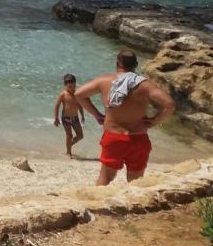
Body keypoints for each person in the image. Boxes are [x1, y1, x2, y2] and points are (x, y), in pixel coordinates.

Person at [70, 49, 175, 185]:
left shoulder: (104, 81)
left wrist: (97, 115)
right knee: (136, 182)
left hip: (114, 137)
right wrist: (154, 121)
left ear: (117, 63)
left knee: (106, 178)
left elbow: (79, 94)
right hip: (138, 138)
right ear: (136, 64)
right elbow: (170, 105)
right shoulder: (145, 85)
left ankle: (99, 206)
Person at [53, 73, 86, 157]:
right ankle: (68, 152)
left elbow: (80, 105)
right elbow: (57, 105)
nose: (72, 87)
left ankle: (69, 145)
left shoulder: (77, 94)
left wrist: (82, 116)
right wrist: (56, 118)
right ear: (65, 85)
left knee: (80, 136)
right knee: (69, 135)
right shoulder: (63, 94)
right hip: (66, 118)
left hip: (75, 118)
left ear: (75, 84)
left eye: (73, 85)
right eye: (69, 86)